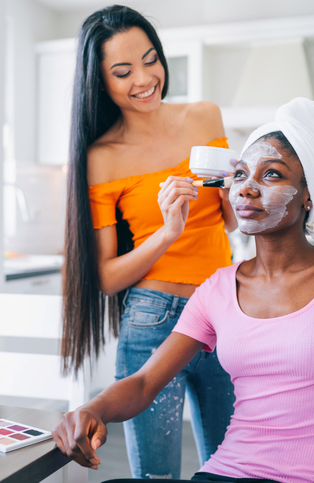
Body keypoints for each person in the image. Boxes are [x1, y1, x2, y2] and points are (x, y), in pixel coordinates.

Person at [54, 98, 314, 482]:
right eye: (240, 174)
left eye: (271, 174)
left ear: (310, 196)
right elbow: (145, 382)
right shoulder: (217, 288)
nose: (247, 187)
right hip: (221, 473)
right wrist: (92, 410)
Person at [62, 5, 237, 478]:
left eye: (150, 59)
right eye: (123, 71)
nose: (143, 78)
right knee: (156, 476)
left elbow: (230, 223)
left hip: (224, 311)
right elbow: (105, 277)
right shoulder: (102, 157)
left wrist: (239, 187)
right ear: (100, 81)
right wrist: (167, 233)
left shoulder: (204, 117)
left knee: (232, 469)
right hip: (153, 320)